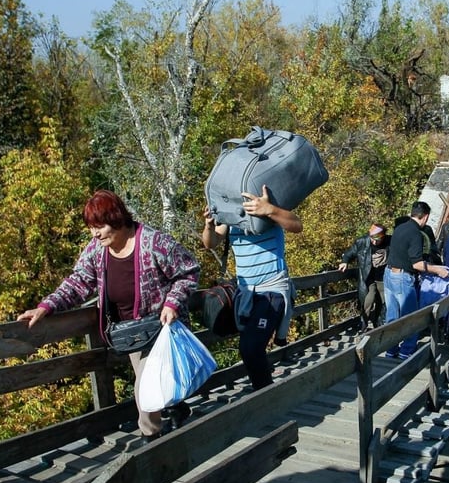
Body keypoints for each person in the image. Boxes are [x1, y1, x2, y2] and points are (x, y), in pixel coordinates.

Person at [17, 190, 200, 443]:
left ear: (117, 219)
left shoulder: (154, 242)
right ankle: (176, 408)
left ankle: (151, 440)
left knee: (145, 388)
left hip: (159, 326)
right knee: (152, 384)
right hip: (130, 332)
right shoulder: (97, 250)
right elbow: (78, 283)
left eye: (100, 226)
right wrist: (46, 307)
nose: (95, 233)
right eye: (92, 228)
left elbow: (189, 271)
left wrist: (172, 303)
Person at [202, 184, 302, 391]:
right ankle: (265, 392)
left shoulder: (267, 207)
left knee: (250, 348)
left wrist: (270, 210)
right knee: (251, 347)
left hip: (272, 289)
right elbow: (211, 243)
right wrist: (209, 226)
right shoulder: (232, 214)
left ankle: (264, 396)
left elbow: (296, 225)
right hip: (247, 292)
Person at [384, 201, 449, 360]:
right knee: (412, 317)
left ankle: (390, 349)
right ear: (425, 217)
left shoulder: (399, 228)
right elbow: (417, 263)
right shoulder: (415, 233)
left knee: (392, 317)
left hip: (388, 274)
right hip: (402, 277)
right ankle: (406, 351)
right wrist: (438, 270)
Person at [338, 224, 391, 331]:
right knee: (369, 299)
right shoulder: (362, 242)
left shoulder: (390, 240)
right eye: (372, 239)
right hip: (368, 277)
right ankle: (364, 323)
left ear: (383, 236)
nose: (375, 242)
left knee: (383, 301)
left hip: (383, 277)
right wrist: (344, 262)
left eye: (378, 240)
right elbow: (350, 252)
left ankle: (379, 323)